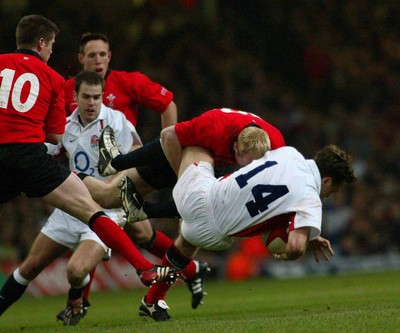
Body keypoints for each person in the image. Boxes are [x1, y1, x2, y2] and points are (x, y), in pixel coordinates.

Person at [0, 15, 179, 319]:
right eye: (52, 46)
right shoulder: (54, 79)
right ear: (41, 43)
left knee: (63, 261)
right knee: (91, 209)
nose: (51, 52)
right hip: (30, 157)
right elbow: (54, 136)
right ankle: (144, 268)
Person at [137, 144, 356, 320]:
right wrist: (289, 252)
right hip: (210, 233)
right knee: (185, 244)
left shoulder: (289, 153)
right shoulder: (310, 199)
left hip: (203, 192)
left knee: (192, 145)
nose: (329, 195)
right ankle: (151, 301)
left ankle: (137, 199)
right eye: (333, 189)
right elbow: (297, 246)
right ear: (326, 180)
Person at [96, 108, 286, 222]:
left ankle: (140, 205)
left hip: (205, 164)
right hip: (193, 151)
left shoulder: (276, 147)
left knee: (110, 198)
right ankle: (116, 163)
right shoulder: (214, 127)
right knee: (201, 197)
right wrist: (183, 182)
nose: (251, 169)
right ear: (235, 147)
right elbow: (168, 135)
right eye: (248, 163)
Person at [64, 32, 177, 128]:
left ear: (109, 57)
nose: (98, 60)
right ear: (81, 58)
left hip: (125, 151)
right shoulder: (66, 88)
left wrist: (167, 146)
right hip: (81, 152)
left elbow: (167, 105)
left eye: (102, 54)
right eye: (92, 55)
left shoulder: (129, 81)